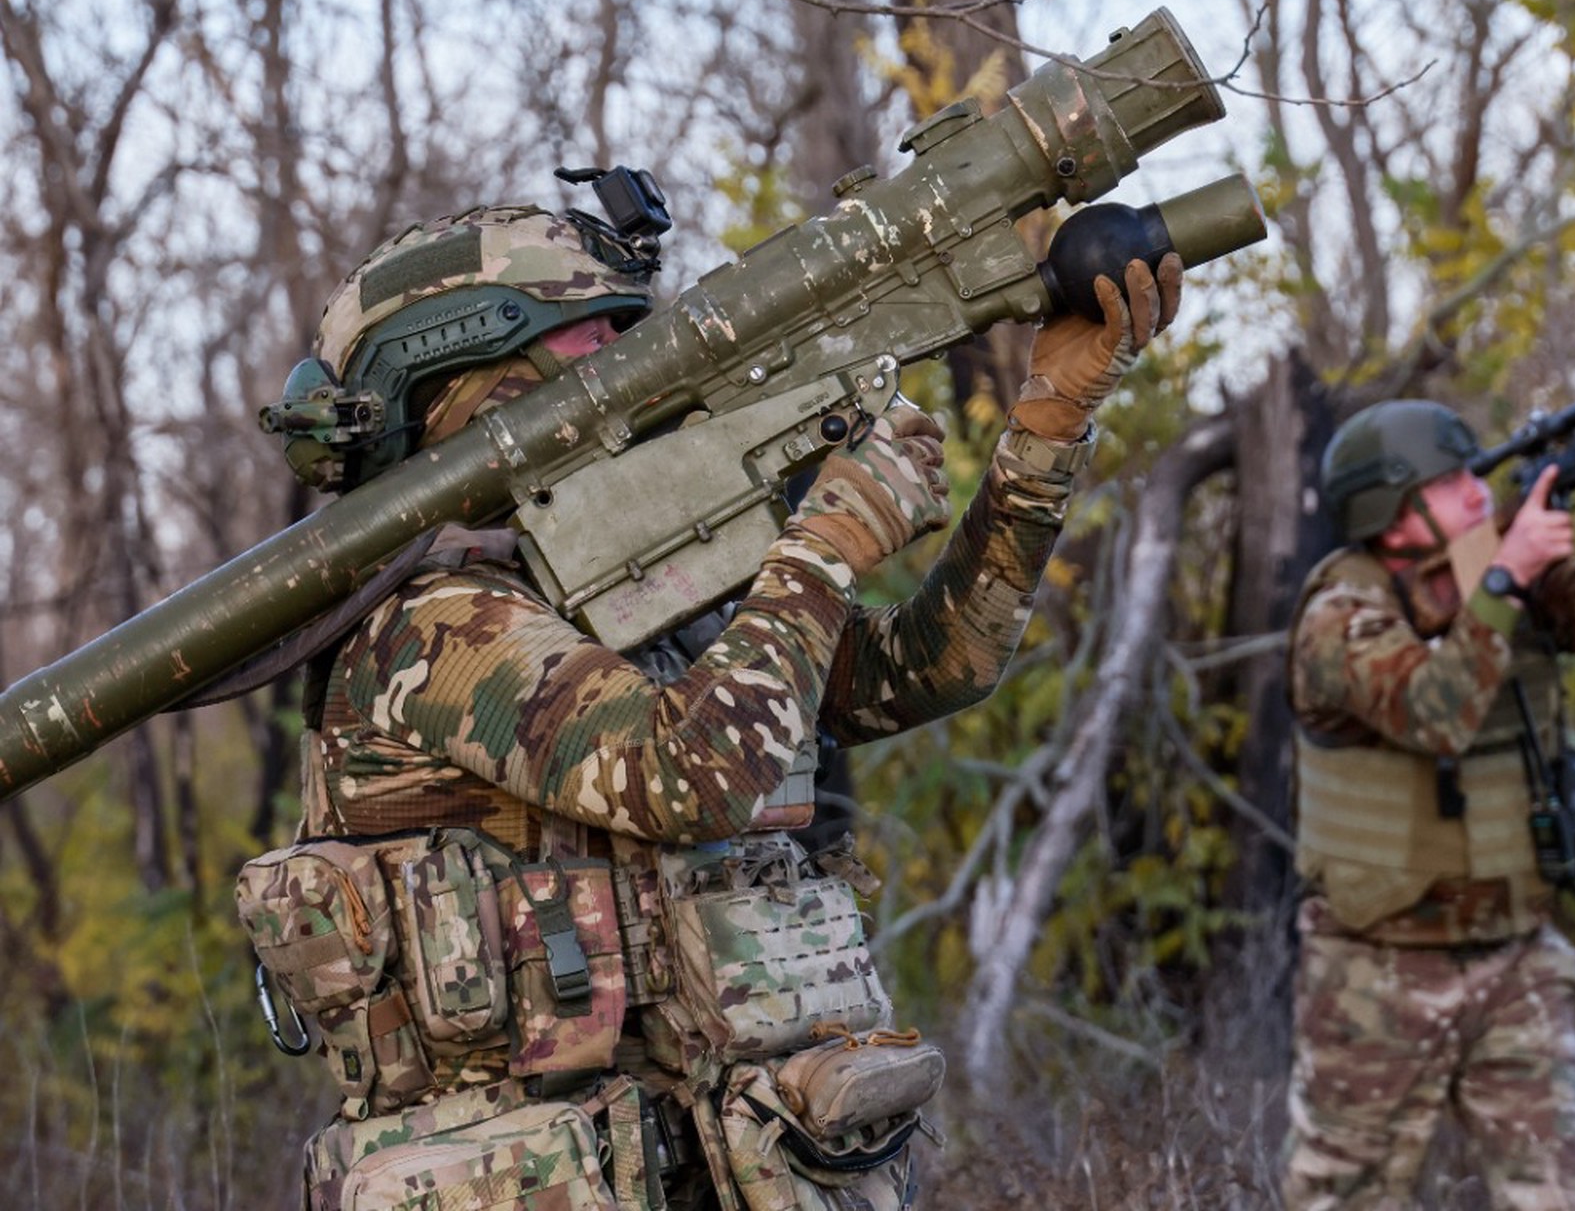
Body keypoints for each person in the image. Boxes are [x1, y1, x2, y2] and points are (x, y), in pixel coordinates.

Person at [239, 199, 1182, 1210]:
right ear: (468, 373)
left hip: (714, 1159)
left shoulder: (622, 580)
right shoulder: (431, 623)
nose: (630, 359)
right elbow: (685, 776)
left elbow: (925, 665)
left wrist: (1045, 428)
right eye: (591, 333)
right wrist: (822, 546)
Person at [1280, 398, 1575, 1211]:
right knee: (1342, 1198)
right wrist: (1506, 576)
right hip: (1374, 973)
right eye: (1452, 481)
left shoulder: (1497, 567)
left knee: (1555, 1196)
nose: (1478, 492)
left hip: (1514, 955)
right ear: (1392, 513)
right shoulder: (1336, 618)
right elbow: (1432, 711)